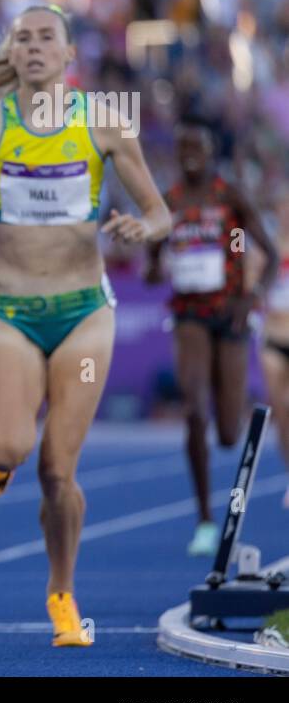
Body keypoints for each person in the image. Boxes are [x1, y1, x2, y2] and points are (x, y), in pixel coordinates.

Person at [0, 4, 171, 648]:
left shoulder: (106, 125)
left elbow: (161, 212)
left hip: (85, 312)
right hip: (13, 312)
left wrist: (143, 229)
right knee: (8, 449)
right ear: (13, 53)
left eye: (46, 37)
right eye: (23, 38)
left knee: (59, 472)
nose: (34, 46)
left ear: (68, 56)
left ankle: (62, 595)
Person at [145, 122, 278, 555]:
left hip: (231, 314)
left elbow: (270, 254)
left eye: (197, 148)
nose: (189, 155)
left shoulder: (229, 198)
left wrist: (251, 294)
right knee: (194, 409)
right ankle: (204, 519)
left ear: (210, 153)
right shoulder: (170, 203)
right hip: (189, 314)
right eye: (182, 148)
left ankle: (230, 401)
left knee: (225, 432)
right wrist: (151, 265)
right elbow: (153, 254)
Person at [255, 189, 289, 509]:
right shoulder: (267, 249)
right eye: (284, 208)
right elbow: (251, 283)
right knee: (281, 413)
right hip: (273, 337)